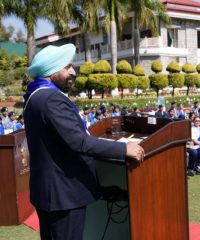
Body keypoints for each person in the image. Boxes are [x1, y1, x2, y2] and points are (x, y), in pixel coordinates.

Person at [23, 43, 145, 240]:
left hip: (52, 192)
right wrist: (124, 148)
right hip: (63, 195)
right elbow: (79, 142)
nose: (73, 72)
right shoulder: (51, 98)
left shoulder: (36, 96)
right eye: (67, 66)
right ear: (52, 70)